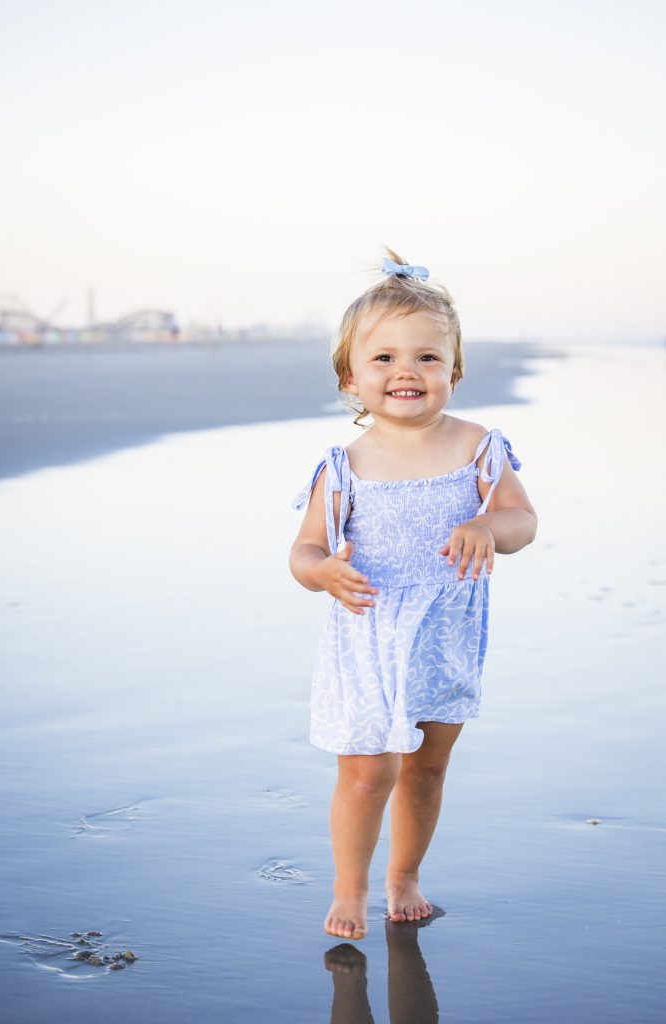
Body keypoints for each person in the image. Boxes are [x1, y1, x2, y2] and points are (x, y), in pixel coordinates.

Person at [289, 248, 538, 942]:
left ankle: (403, 876)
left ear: (453, 371)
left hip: (444, 637)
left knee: (425, 771)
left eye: (428, 358)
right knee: (366, 776)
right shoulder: (342, 468)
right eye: (384, 359)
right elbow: (303, 552)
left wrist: (486, 525)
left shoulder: (478, 448)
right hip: (367, 637)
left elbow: (522, 522)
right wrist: (321, 572)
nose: (407, 371)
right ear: (350, 377)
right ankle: (349, 887)